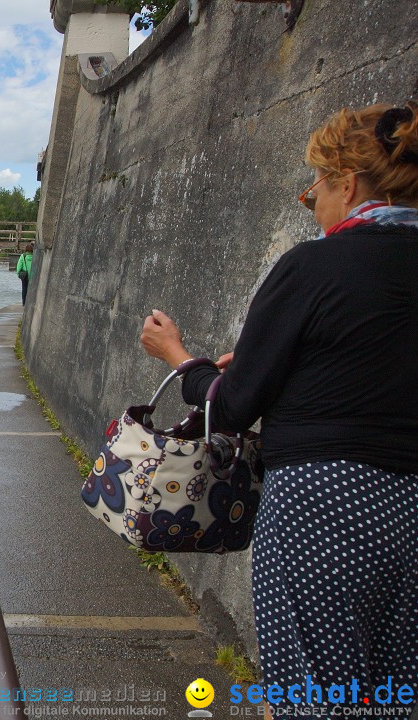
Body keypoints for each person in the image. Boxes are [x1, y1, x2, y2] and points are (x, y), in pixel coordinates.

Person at [140, 102, 418, 716]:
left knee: (316, 695)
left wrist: (179, 355)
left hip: (323, 507)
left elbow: (231, 407)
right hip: (410, 509)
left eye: (314, 185)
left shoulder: (314, 267)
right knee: (395, 692)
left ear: (347, 183)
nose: (309, 200)